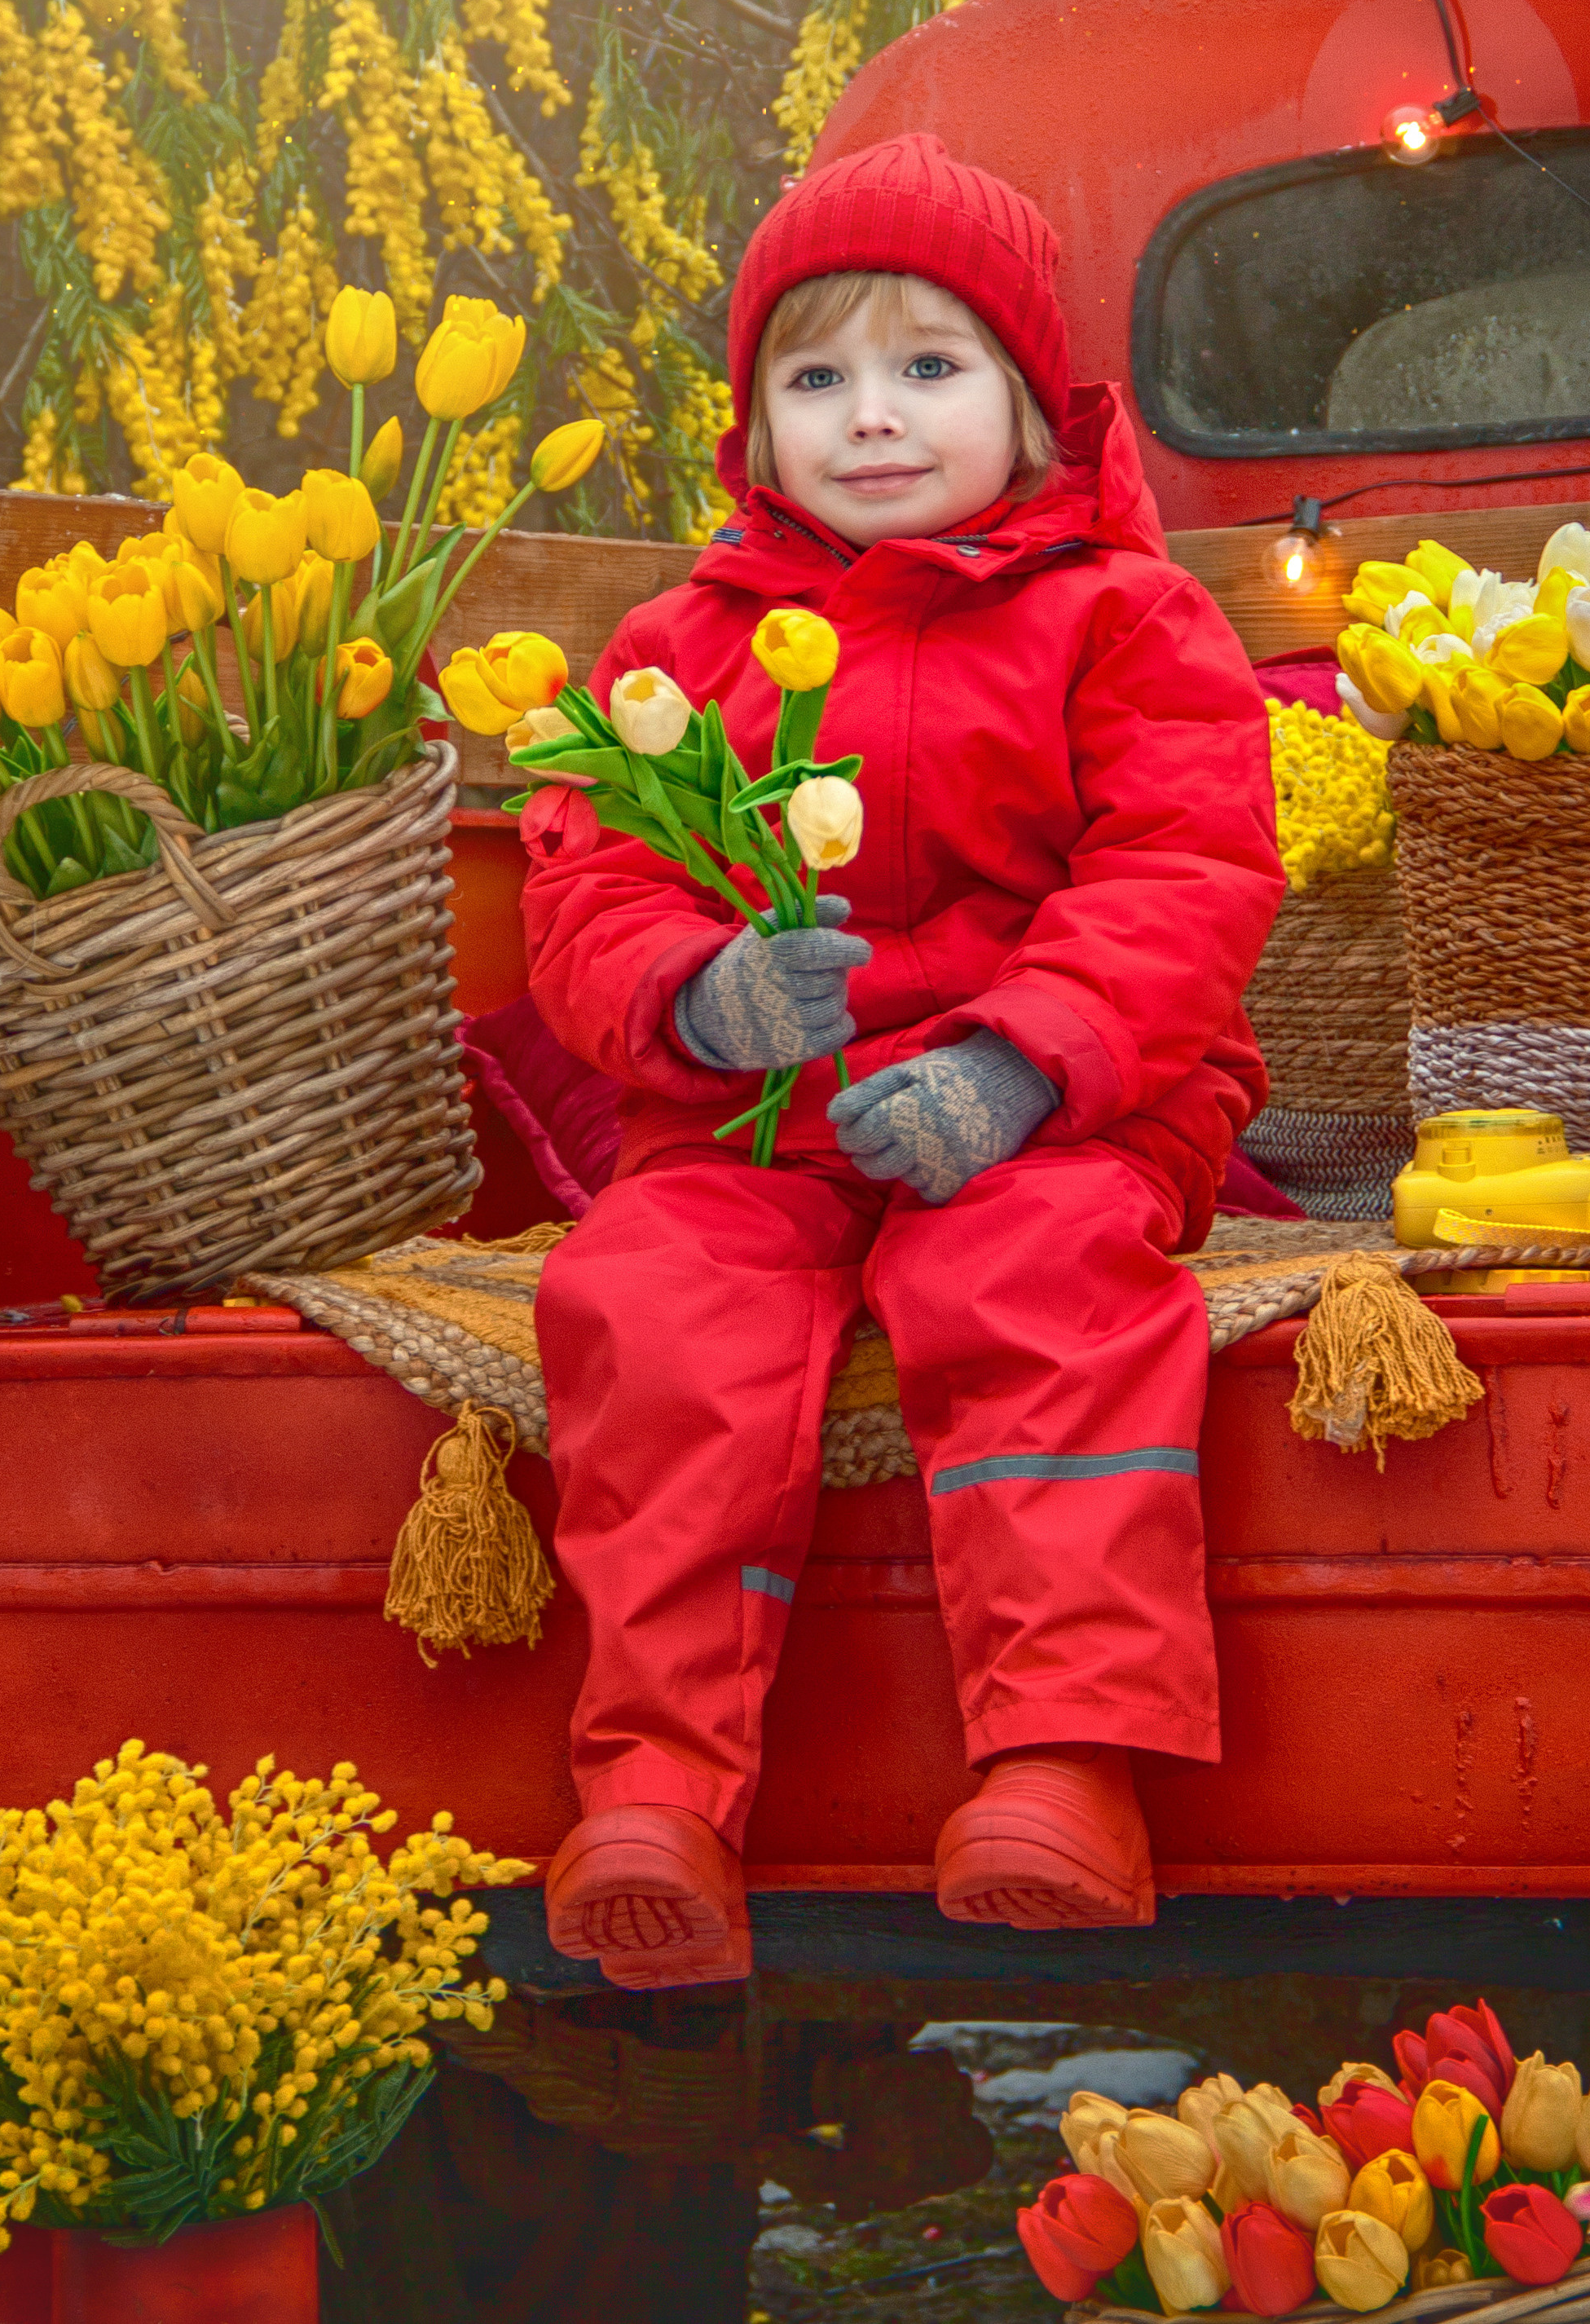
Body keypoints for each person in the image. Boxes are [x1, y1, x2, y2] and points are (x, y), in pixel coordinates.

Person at [522, 132, 1284, 1988]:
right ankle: (658, 1788)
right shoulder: (672, 650)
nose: (871, 417)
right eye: (818, 376)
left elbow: (1184, 870)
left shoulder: (1124, 614)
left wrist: (1023, 1064)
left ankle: (1063, 1760)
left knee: (1034, 1280)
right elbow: (586, 877)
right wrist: (703, 994)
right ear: (753, 425)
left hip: (1051, 1109)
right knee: (647, 1297)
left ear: (1034, 403)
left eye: (929, 367)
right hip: (759, 1123)